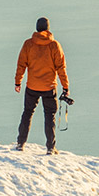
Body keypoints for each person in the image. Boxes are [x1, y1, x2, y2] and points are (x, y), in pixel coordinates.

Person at [14, 16, 69, 153]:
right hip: (49, 88)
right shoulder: (54, 45)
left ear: (36, 28)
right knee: (49, 116)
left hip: (32, 86)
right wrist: (65, 87)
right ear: (48, 28)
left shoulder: (28, 44)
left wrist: (18, 82)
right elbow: (61, 68)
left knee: (27, 113)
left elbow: (21, 64)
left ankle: (21, 143)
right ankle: (50, 147)